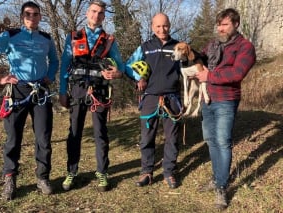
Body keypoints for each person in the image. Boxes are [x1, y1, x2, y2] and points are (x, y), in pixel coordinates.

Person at [0, 1, 59, 200]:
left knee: (43, 137)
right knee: (13, 137)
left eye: (36, 14)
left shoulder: (46, 38)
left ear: (40, 17)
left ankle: (42, 177)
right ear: (22, 16)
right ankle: (10, 178)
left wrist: (50, 75)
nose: (32, 18)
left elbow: (55, 60)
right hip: (17, 91)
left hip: (40, 90)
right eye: (28, 14)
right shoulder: (10, 36)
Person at [59, 0, 126, 192]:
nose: (96, 15)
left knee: (100, 133)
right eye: (94, 11)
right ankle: (71, 171)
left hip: (99, 90)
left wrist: (117, 73)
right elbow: (65, 65)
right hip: (78, 89)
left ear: (104, 16)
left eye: (100, 13)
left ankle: (102, 172)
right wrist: (63, 91)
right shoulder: (73, 37)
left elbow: (120, 66)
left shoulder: (110, 39)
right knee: (74, 132)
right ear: (87, 13)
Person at [195, 8, 256, 210]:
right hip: (207, 99)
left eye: (225, 24)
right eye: (219, 24)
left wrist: (209, 77)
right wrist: (187, 52)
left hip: (226, 100)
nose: (221, 28)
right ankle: (216, 177)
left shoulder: (245, 47)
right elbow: (201, 58)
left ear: (236, 24)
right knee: (211, 140)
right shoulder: (213, 44)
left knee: (223, 141)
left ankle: (222, 186)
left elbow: (237, 73)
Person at [125, 13, 183, 189]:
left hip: (172, 98)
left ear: (170, 25)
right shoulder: (145, 47)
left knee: (172, 138)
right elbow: (128, 66)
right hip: (149, 97)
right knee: (147, 137)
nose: (161, 29)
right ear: (152, 27)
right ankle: (146, 172)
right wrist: (138, 78)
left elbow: (188, 67)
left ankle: (169, 172)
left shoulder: (178, 47)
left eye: (165, 26)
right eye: (158, 26)